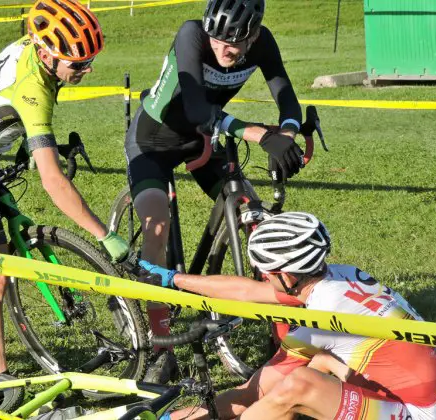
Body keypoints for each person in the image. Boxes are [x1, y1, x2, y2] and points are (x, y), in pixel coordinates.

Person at [0, 0, 129, 375]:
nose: (86, 70)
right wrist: (103, 234)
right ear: (45, 54)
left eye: (89, 61)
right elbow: (52, 181)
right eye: (78, 64)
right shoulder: (33, 87)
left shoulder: (37, 55)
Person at [125, 0, 305, 382]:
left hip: (203, 140)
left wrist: (287, 133)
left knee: (249, 209)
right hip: (153, 141)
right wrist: (257, 134)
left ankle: (284, 327)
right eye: (218, 39)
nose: (224, 49)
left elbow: (285, 93)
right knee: (156, 225)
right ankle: (159, 345)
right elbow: (193, 106)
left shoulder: (262, 43)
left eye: (235, 43)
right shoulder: (192, 34)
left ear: (254, 35)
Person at [139, 212, 436, 420]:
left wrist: (176, 417)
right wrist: (174, 280)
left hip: (420, 413)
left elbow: (254, 392)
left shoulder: (323, 319)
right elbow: (249, 292)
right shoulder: (341, 276)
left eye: (266, 271)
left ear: (288, 276)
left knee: (298, 386)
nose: (262, 276)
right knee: (318, 364)